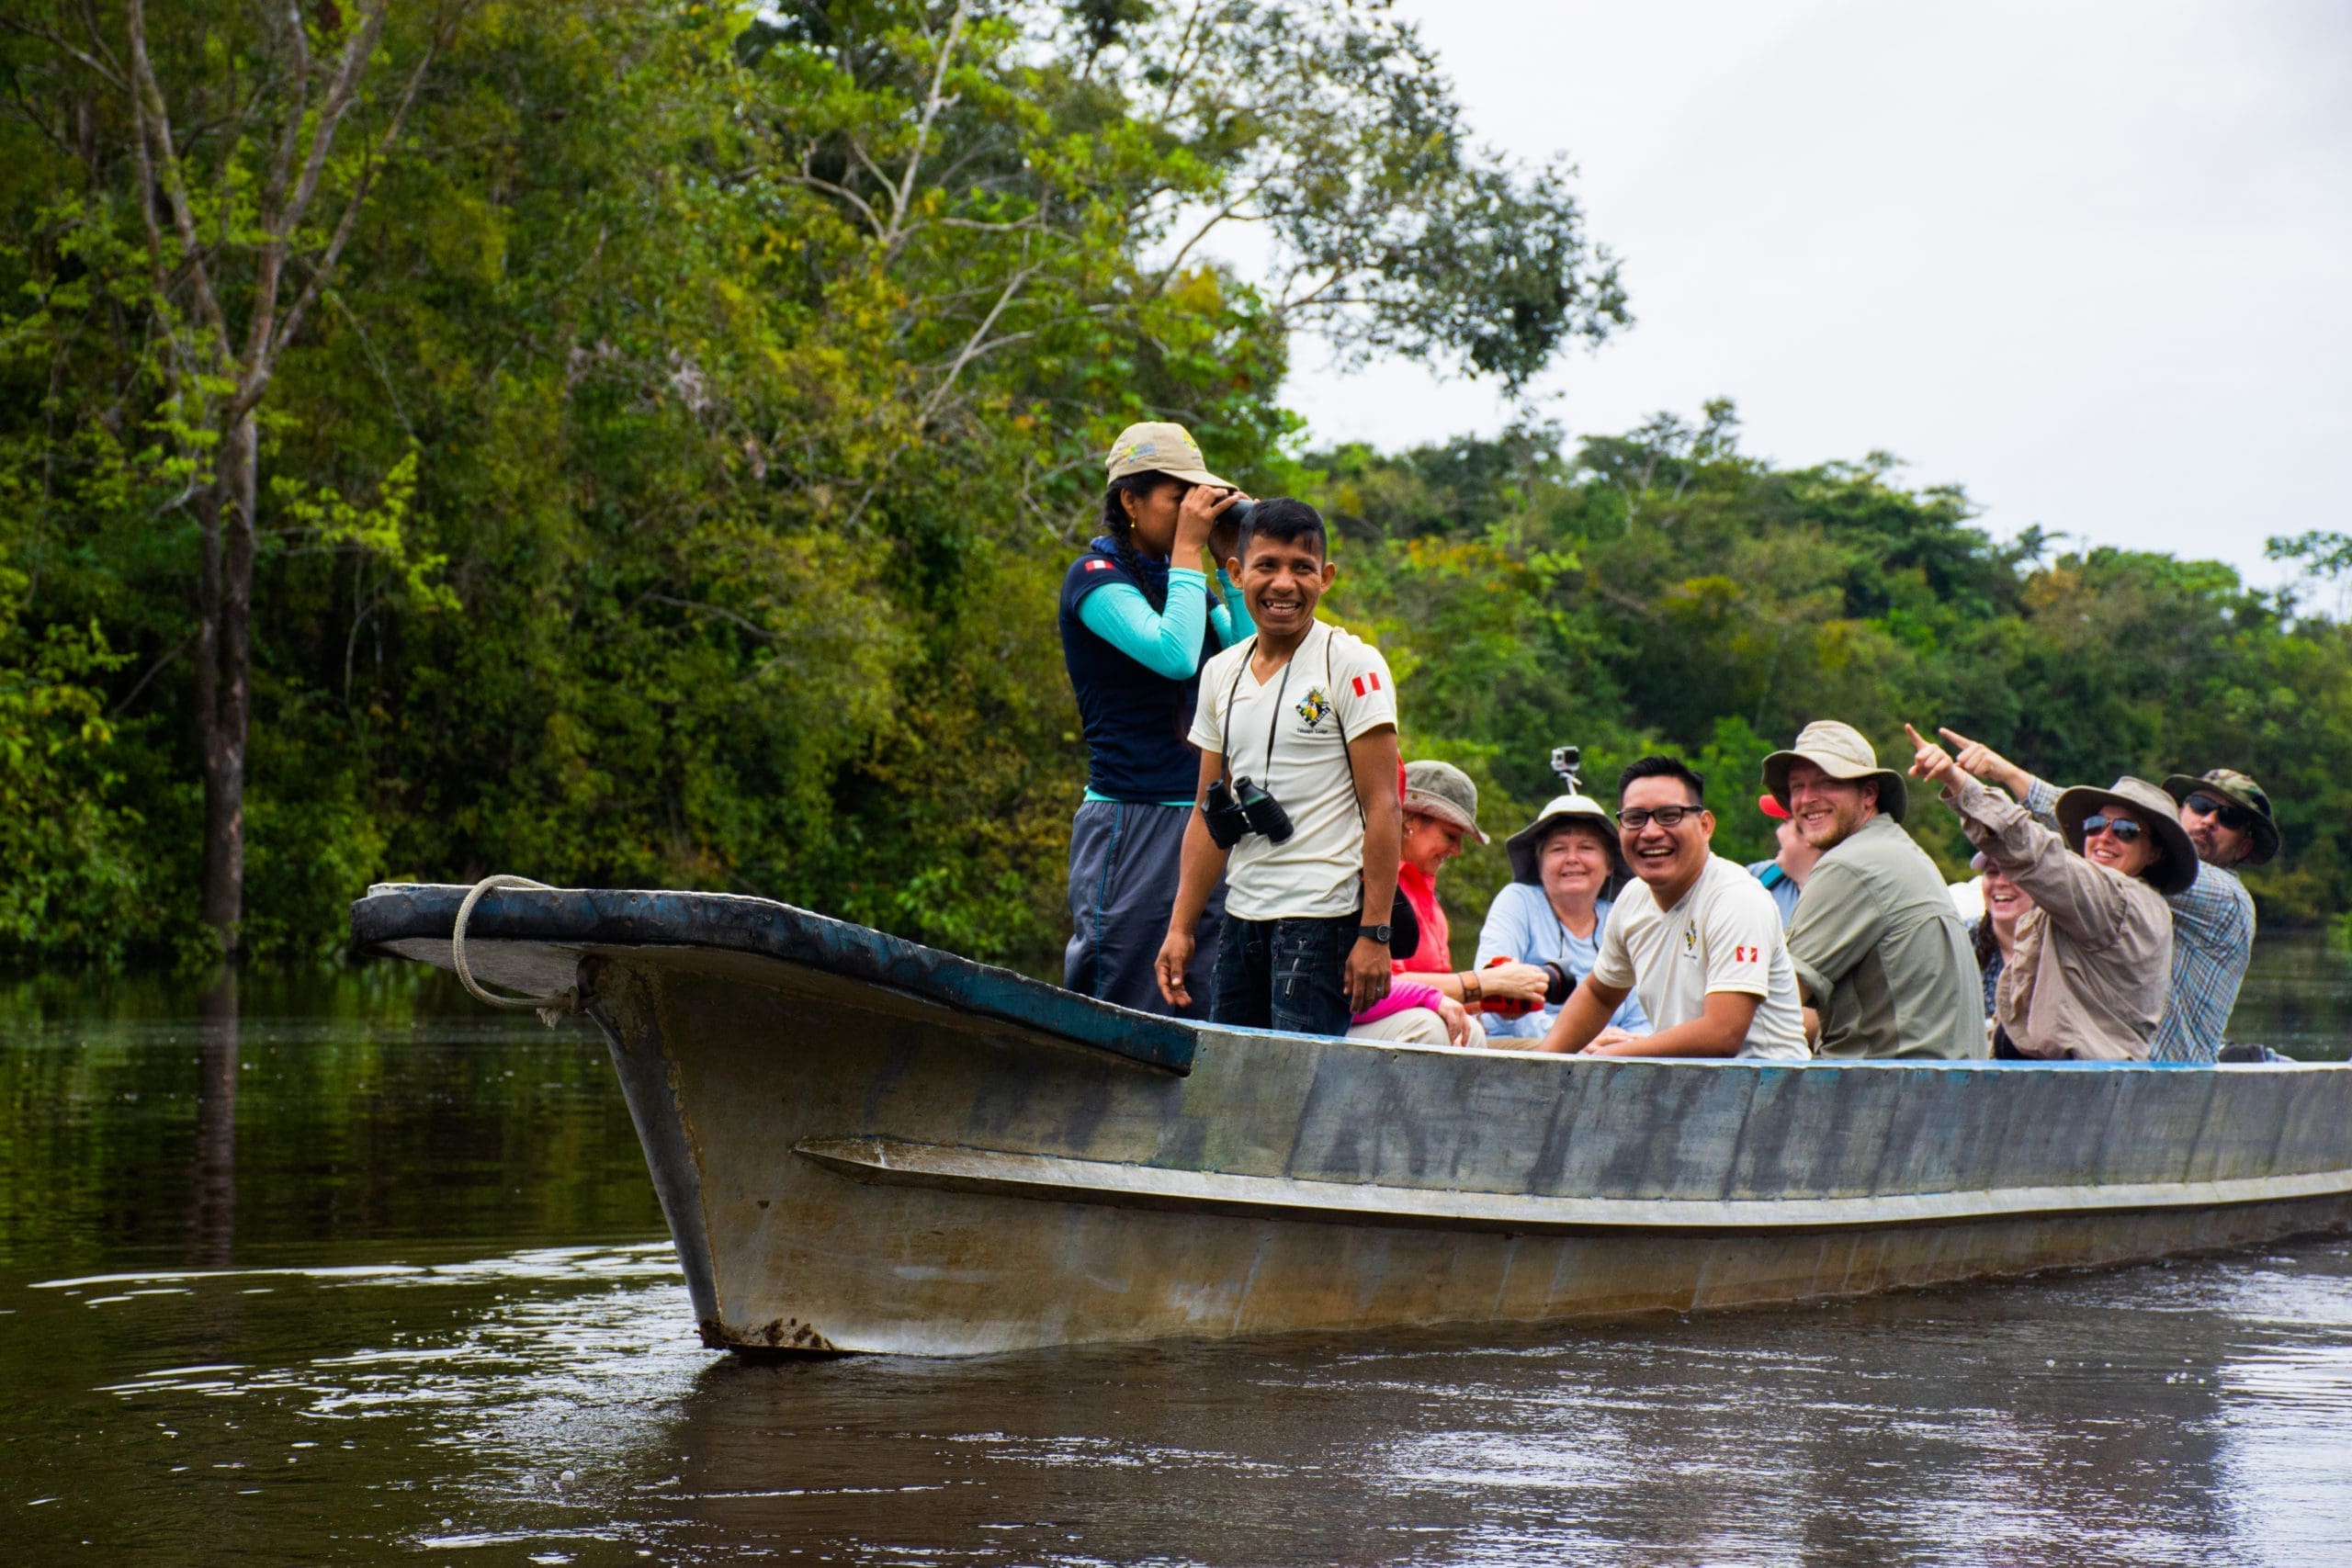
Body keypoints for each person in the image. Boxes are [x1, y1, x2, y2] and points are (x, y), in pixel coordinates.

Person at [1155, 500, 1402, 1035]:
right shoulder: (1221, 672)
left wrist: (1374, 934)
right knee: (1231, 1083)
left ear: (1326, 578)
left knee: (1298, 1091)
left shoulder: (1352, 664)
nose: (1284, 584)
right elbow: (1206, 810)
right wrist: (1181, 927)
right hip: (1242, 916)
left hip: (1322, 918)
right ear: (1238, 572)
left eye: (1302, 568)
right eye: (1267, 566)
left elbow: (1384, 805)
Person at [1058, 422, 1253, 1016]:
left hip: (1205, 821)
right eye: (1180, 496)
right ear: (1130, 500)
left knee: (1199, 998)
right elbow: (1171, 655)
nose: (1195, 510)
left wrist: (1233, 567)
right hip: (1131, 821)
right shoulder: (1094, 581)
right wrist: (1192, 552)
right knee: (1123, 992)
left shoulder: (1189, 586)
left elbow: (1253, 670)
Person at [1937, 731, 2280, 1063]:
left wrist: (2001, 777)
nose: (2208, 820)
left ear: (2244, 846)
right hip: (2117, 1071)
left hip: (2173, 1080)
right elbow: (2096, 846)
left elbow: (2056, 860)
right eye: (2200, 804)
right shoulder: (2132, 881)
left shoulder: (2228, 901)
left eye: (2229, 818)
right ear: (2180, 813)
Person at [1905, 727, 2193, 1060]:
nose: (2104, 837)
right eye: (2095, 826)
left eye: (2127, 831)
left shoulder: (2118, 899)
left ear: (2155, 854)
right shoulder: (2113, 900)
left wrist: (1956, 781)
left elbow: (2034, 852)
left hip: (2075, 1090)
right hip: (2072, 1084)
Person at [1523, 756, 1808, 1060]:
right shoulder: (1634, 898)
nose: (1650, 831)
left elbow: (1723, 1034)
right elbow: (1599, 994)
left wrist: (1614, 1056)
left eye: (1669, 815)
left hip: (1772, 1092)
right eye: (1635, 818)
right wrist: (1542, 1064)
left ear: (1705, 825)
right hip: (1685, 1087)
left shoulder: (1736, 899)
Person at [1762, 721, 1984, 1059]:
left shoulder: (1851, 865)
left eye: (1828, 782)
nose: (1807, 799)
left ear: (1868, 794)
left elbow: (1776, 999)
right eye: (1797, 786)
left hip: (1887, 1095)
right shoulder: (1896, 849)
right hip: (1936, 1091)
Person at [1347, 761, 1546, 1047]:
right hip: (1347, 1019)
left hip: (1393, 1021)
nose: (1457, 850)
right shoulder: (1368, 880)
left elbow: (1432, 995)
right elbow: (1379, 986)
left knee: (1475, 1032)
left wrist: (1489, 1001)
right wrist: (1484, 983)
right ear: (1409, 819)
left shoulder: (1428, 897)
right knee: (1432, 1028)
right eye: (1450, 835)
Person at [1476, 791, 1651, 1043]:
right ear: (1539, 864)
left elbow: (1642, 1012)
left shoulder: (1621, 916)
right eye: (1558, 849)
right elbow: (1493, 983)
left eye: (1586, 848)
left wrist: (1631, 1043)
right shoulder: (1517, 901)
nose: (1572, 859)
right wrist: (1579, 1042)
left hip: (1610, 1052)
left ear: (1609, 864)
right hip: (1522, 1047)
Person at [1970, 852, 2037, 1025]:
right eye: (1992, 872)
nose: (2001, 882)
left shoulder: (2063, 946)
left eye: (2013, 872)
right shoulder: (1962, 943)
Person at [1745, 793, 1820, 927]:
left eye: (1785, 822)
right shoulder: (1758, 877)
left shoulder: (1849, 893)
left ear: (1811, 831)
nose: (1777, 832)